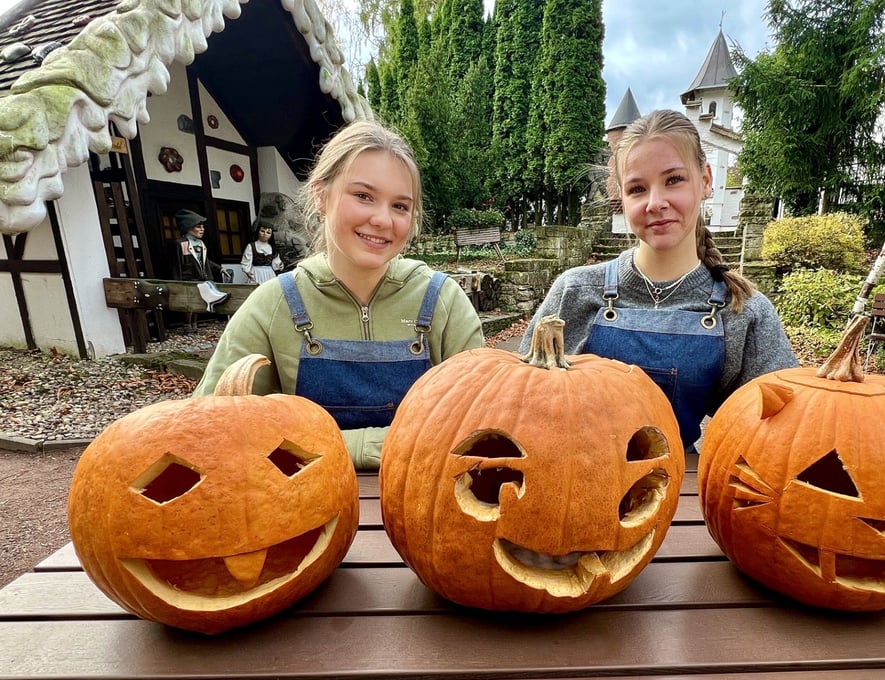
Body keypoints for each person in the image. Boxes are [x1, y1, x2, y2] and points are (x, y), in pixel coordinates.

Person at [194, 120, 485, 469]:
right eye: (363, 196)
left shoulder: (444, 302)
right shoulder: (273, 306)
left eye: (400, 206)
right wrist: (373, 445)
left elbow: (478, 427)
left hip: (427, 506)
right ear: (321, 195)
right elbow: (212, 427)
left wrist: (314, 447)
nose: (382, 219)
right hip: (298, 510)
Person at [519, 109, 797, 450]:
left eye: (674, 180)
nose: (655, 203)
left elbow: (777, 431)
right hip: (571, 488)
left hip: (676, 492)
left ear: (706, 180)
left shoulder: (742, 309)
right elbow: (521, 404)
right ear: (621, 197)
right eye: (637, 188)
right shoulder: (575, 292)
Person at [173, 209, 227, 333]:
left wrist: (219, 268)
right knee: (188, 303)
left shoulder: (201, 244)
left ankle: (194, 325)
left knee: (198, 302)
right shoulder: (181, 243)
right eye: (198, 226)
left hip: (201, 277)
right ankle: (187, 325)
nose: (202, 229)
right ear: (188, 227)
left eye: (202, 226)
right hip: (187, 278)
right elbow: (176, 264)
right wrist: (177, 282)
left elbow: (205, 261)